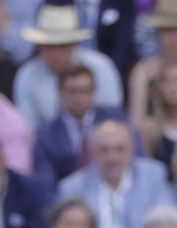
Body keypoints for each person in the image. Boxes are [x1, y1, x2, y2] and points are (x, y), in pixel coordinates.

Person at [58, 120, 173, 228]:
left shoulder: (152, 176)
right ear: (92, 152)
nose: (112, 157)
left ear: (132, 149)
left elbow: (166, 224)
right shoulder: (72, 187)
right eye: (104, 150)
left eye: (120, 149)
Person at [13, 6, 123, 132]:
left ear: (74, 44)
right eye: (48, 46)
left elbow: (113, 119)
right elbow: (28, 129)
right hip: (47, 143)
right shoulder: (27, 75)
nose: (54, 53)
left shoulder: (101, 67)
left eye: (61, 46)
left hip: (100, 140)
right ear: (39, 46)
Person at [33, 64, 134, 193]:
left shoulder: (115, 119)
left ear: (94, 92)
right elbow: (45, 182)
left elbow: (135, 157)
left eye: (85, 91)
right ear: (60, 93)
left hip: (118, 189)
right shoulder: (46, 135)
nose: (79, 98)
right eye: (72, 91)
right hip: (70, 197)